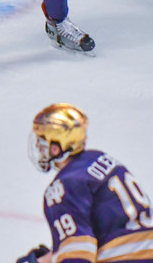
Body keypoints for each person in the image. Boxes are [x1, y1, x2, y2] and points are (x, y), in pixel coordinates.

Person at [16, 103, 153, 263]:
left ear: (55, 148)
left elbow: (77, 255)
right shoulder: (100, 159)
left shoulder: (63, 187)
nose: (39, 147)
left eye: (42, 142)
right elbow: (106, 233)